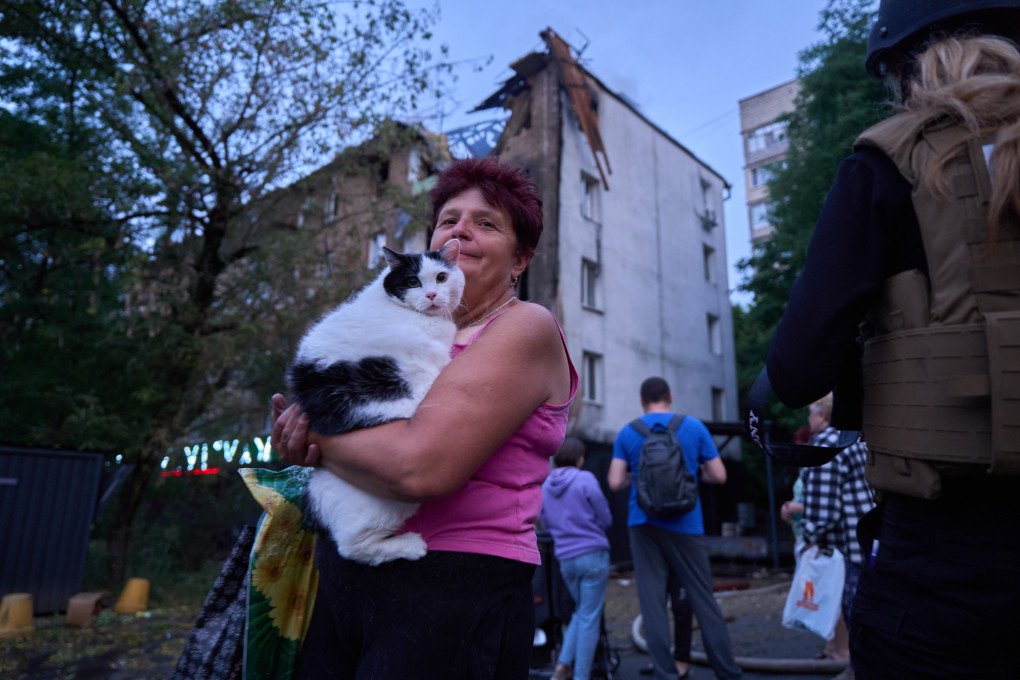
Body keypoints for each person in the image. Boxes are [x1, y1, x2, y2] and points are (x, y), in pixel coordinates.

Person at [760, 2, 1020, 677]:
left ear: (905, 69)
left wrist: (770, 389)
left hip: (947, 569)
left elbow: (797, 366)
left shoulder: (890, 162)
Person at [270, 156, 577, 680]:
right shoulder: (405, 325)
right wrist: (303, 437)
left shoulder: (525, 327)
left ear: (520, 259)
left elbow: (420, 468)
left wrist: (316, 427)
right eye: (449, 220)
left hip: (454, 588)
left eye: (487, 223)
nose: (462, 230)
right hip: (348, 568)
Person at [609, 377, 741, 680]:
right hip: (687, 523)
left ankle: (666, 674)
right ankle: (727, 672)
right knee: (702, 598)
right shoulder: (693, 428)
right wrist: (693, 478)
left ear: (642, 400)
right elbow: (719, 476)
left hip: (643, 523)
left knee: (653, 603)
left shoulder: (629, 432)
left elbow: (615, 482)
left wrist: (637, 480)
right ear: (670, 396)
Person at [801, 394, 875, 667]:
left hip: (844, 549)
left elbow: (823, 512)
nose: (808, 420)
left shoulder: (825, 446)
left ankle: (855, 669)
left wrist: (808, 539)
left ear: (821, 414)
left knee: (852, 614)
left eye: (810, 413)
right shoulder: (856, 438)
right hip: (868, 541)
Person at [540, 436, 612, 680]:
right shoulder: (586, 479)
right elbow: (605, 517)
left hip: (566, 559)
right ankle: (581, 676)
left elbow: (546, 525)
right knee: (589, 617)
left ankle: (562, 666)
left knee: (580, 613)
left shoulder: (546, 484)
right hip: (592, 554)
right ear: (579, 458)